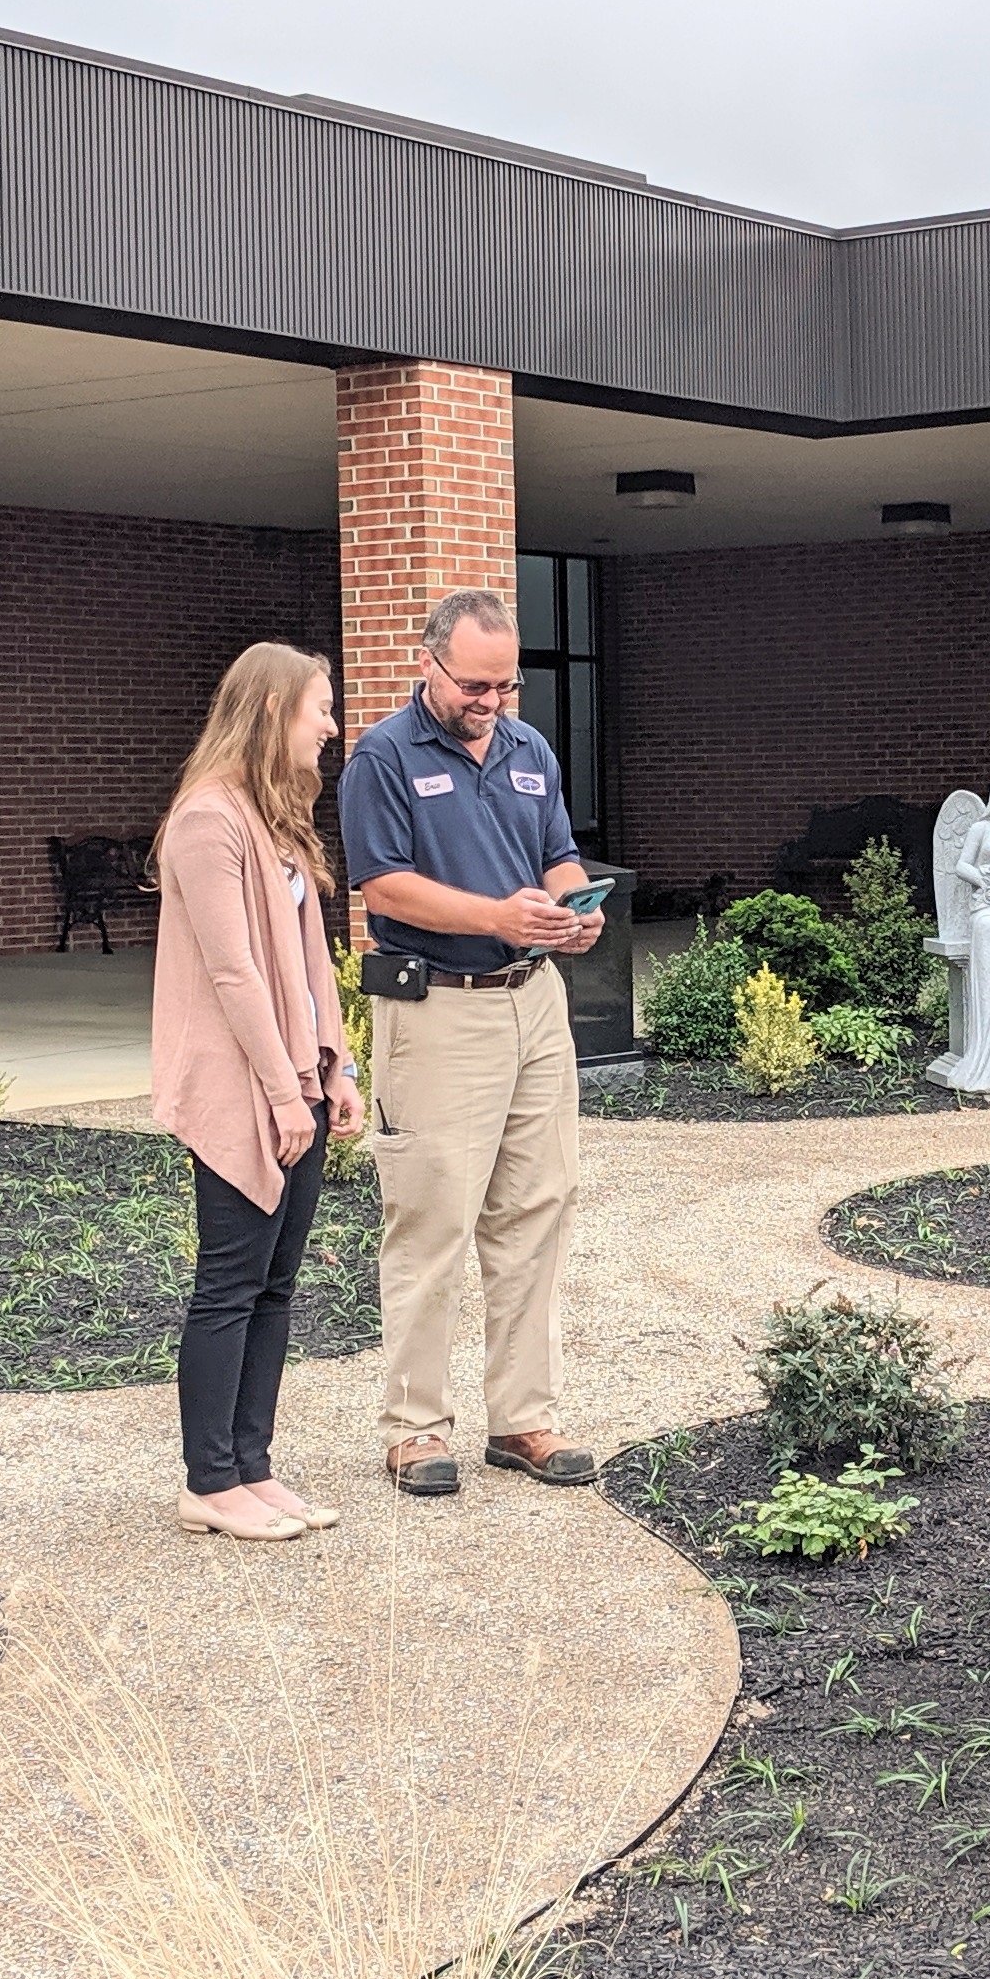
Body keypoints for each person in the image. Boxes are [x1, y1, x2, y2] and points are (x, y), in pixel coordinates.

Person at [340, 588, 607, 1497]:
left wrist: (572, 909)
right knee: (432, 1217)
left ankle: (523, 1418)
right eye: (474, 684)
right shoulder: (381, 757)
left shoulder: (530, 750)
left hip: (534, 1000)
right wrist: (496, 914)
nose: (490, 701)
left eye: (505, 684)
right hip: (439, 1007)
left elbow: (558, 854)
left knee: (537, 1208)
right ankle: (415, 1429)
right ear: (429, 663)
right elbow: (382, 888)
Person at [148, 641, 365, 1541]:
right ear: (273, 711)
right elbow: (234, 973)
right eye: (319, 708)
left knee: (277, 1285)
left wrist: (337, 1066)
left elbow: (313, 959)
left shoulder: (275, 821)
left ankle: (251, 1467)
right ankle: (207, 1482)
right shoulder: (208, 820)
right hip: (245, 1083)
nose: (331, 726)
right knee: (231, 1284)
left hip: (296, 1077)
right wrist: (283, 1093)